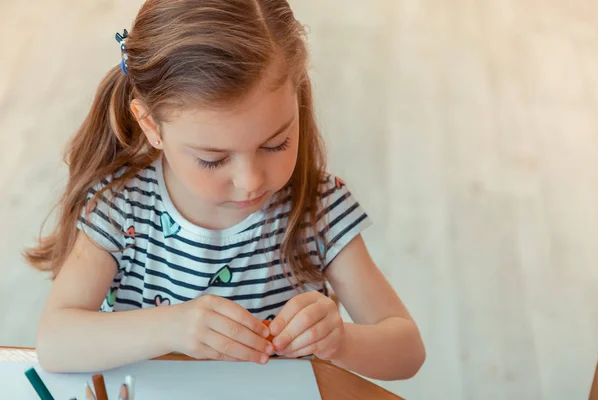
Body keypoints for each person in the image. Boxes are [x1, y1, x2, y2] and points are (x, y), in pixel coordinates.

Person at [25, 0, 425, 380]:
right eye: (213, 159)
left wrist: (341, 340)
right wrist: (174, 327)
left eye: (275, 144)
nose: (250, 181)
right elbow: (55, 342)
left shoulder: (318, 208)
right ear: (150, 126)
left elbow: (407, 350)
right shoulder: (121, 208)